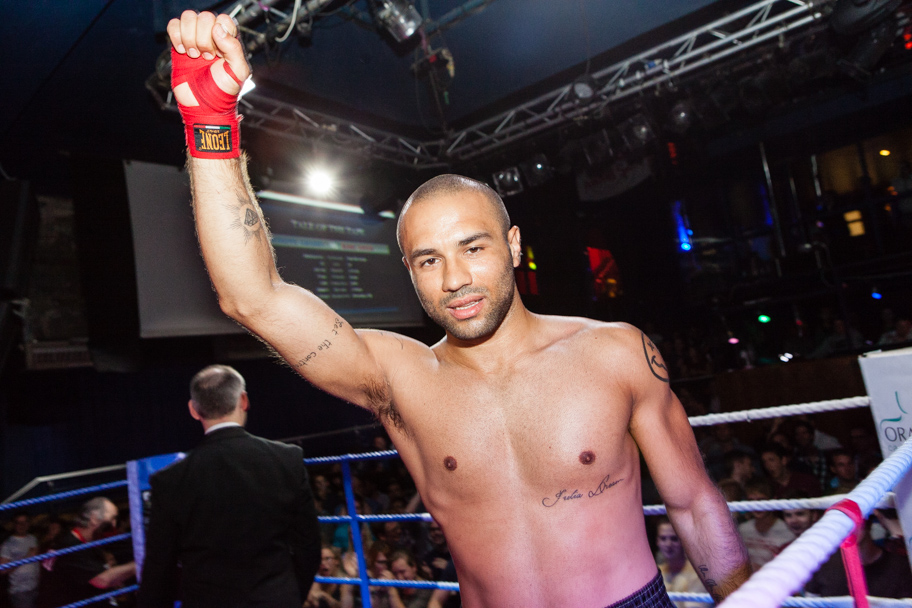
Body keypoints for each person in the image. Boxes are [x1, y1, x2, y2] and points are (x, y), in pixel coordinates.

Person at [164, 12, 751, 606]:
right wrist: (210, 121)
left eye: (473, 248)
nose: (454, 279)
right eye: (427, 260)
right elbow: (252, 296)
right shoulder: (400, 379)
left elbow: (693, 503)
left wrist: (743, 598)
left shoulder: (616, 351)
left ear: (514, 246)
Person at [137, 364, 321, 608]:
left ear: (194, 410)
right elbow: (309, 545)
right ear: (243, 400)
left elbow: (160, 568)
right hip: (276, 599)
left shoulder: (170, 480)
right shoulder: (287, 459)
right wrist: (288, 595)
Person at [37, 498, 136, 608]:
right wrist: (137, 565)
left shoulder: (87, 542)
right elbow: (101, 580)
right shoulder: (70, 546)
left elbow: (102, 574)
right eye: (112, 518)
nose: (114, 524)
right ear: (94, 519)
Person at [738, 479, 795, 570]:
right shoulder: (742, 529)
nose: (756, 505)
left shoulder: (787, 532)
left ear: (773, 500)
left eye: (761, 500)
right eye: (751, 500)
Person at [654, 518, 706, 608]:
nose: (668, 544)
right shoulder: (655, 573)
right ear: (657, 542)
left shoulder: (698, 574)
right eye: (663, 538)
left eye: (674, 539)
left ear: (683, 541)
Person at [0, 513, 41, 608]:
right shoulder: (8, 544)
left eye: (25, 522)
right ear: (14, 525)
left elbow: (36, 563)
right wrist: (26, 557)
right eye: (19, 523)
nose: (22, 525)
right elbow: (3, 570)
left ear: (28, 524)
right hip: (20, 592)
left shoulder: (32, 539)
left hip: (35, 587)